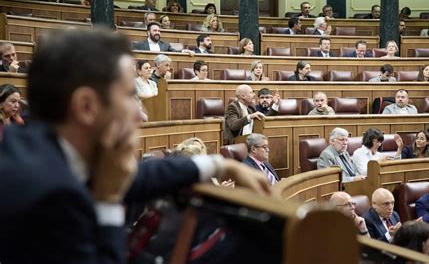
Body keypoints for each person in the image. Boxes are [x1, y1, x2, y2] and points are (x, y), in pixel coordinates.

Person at [0, 29, 272, 264]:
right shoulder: (43, 195)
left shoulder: (45, 146)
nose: (140, 114)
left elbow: (138, 176)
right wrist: (107, 202)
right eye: (130, 95)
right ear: (86, 107)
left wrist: (219, 164)